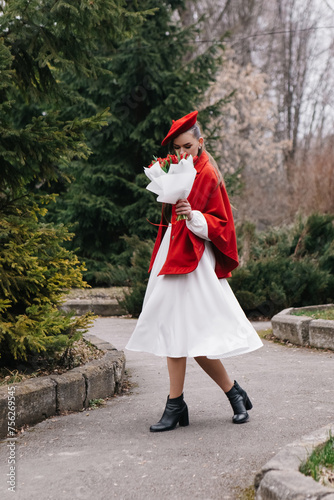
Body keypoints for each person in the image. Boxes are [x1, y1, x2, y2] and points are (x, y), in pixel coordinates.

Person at [125, 110, 263, 432]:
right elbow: (171, 217)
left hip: (196, 262)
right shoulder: (180, 169)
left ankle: (229, 395)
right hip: (173, 256)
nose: (181, 153)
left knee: (196, 338)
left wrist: (193, 214)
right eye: (177, 148)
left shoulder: (208, 174)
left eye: (187, 146)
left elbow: (221, 225)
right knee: (177, 332)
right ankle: (180, 404)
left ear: (201, 141)